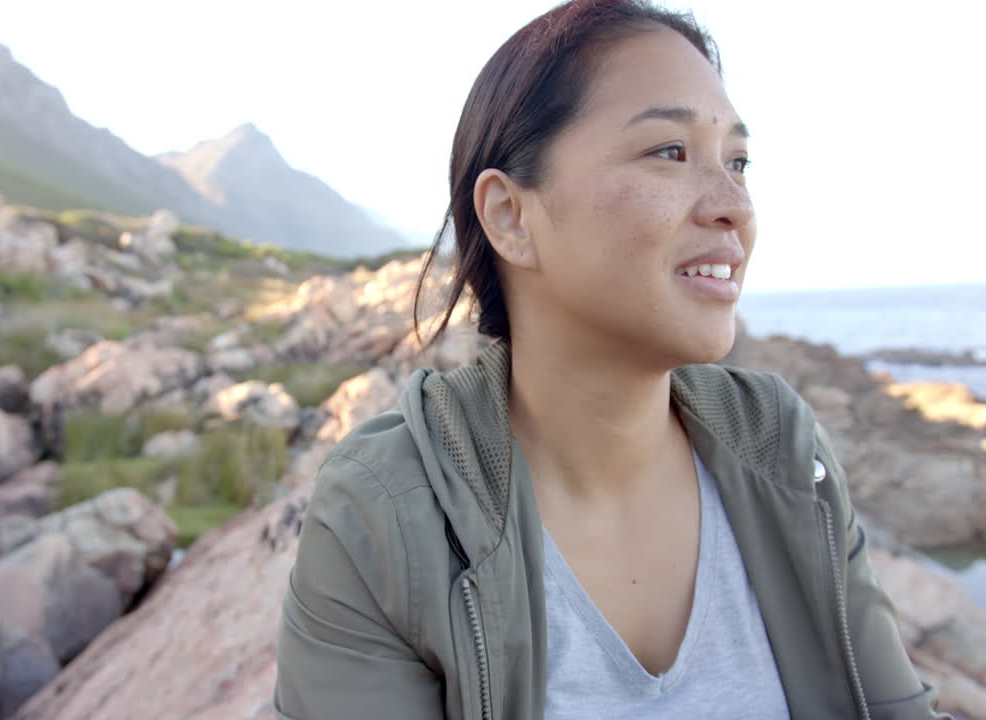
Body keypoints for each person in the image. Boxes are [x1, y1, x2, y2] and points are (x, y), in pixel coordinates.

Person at [274, 1, 947, 718]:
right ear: (510, 216)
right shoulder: (386, 515)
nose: (734, 206)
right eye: (670, 151)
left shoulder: (779, 447)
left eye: (739, 161)